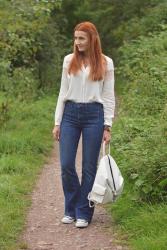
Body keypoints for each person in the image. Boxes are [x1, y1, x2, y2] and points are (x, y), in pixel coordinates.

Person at [52, 21, 115, 228]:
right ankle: (71, 208)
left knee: (89, 167)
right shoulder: (69, 60)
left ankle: (84, 212)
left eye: (81, 38)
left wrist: (107, 125)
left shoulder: (106, 63)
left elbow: (108, 96)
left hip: (94, 116)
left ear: (92, 39)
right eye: (76, 38)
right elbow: (62, 92)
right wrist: (57, 122)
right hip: (70, 114)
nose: (77, 42)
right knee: (66, 164)